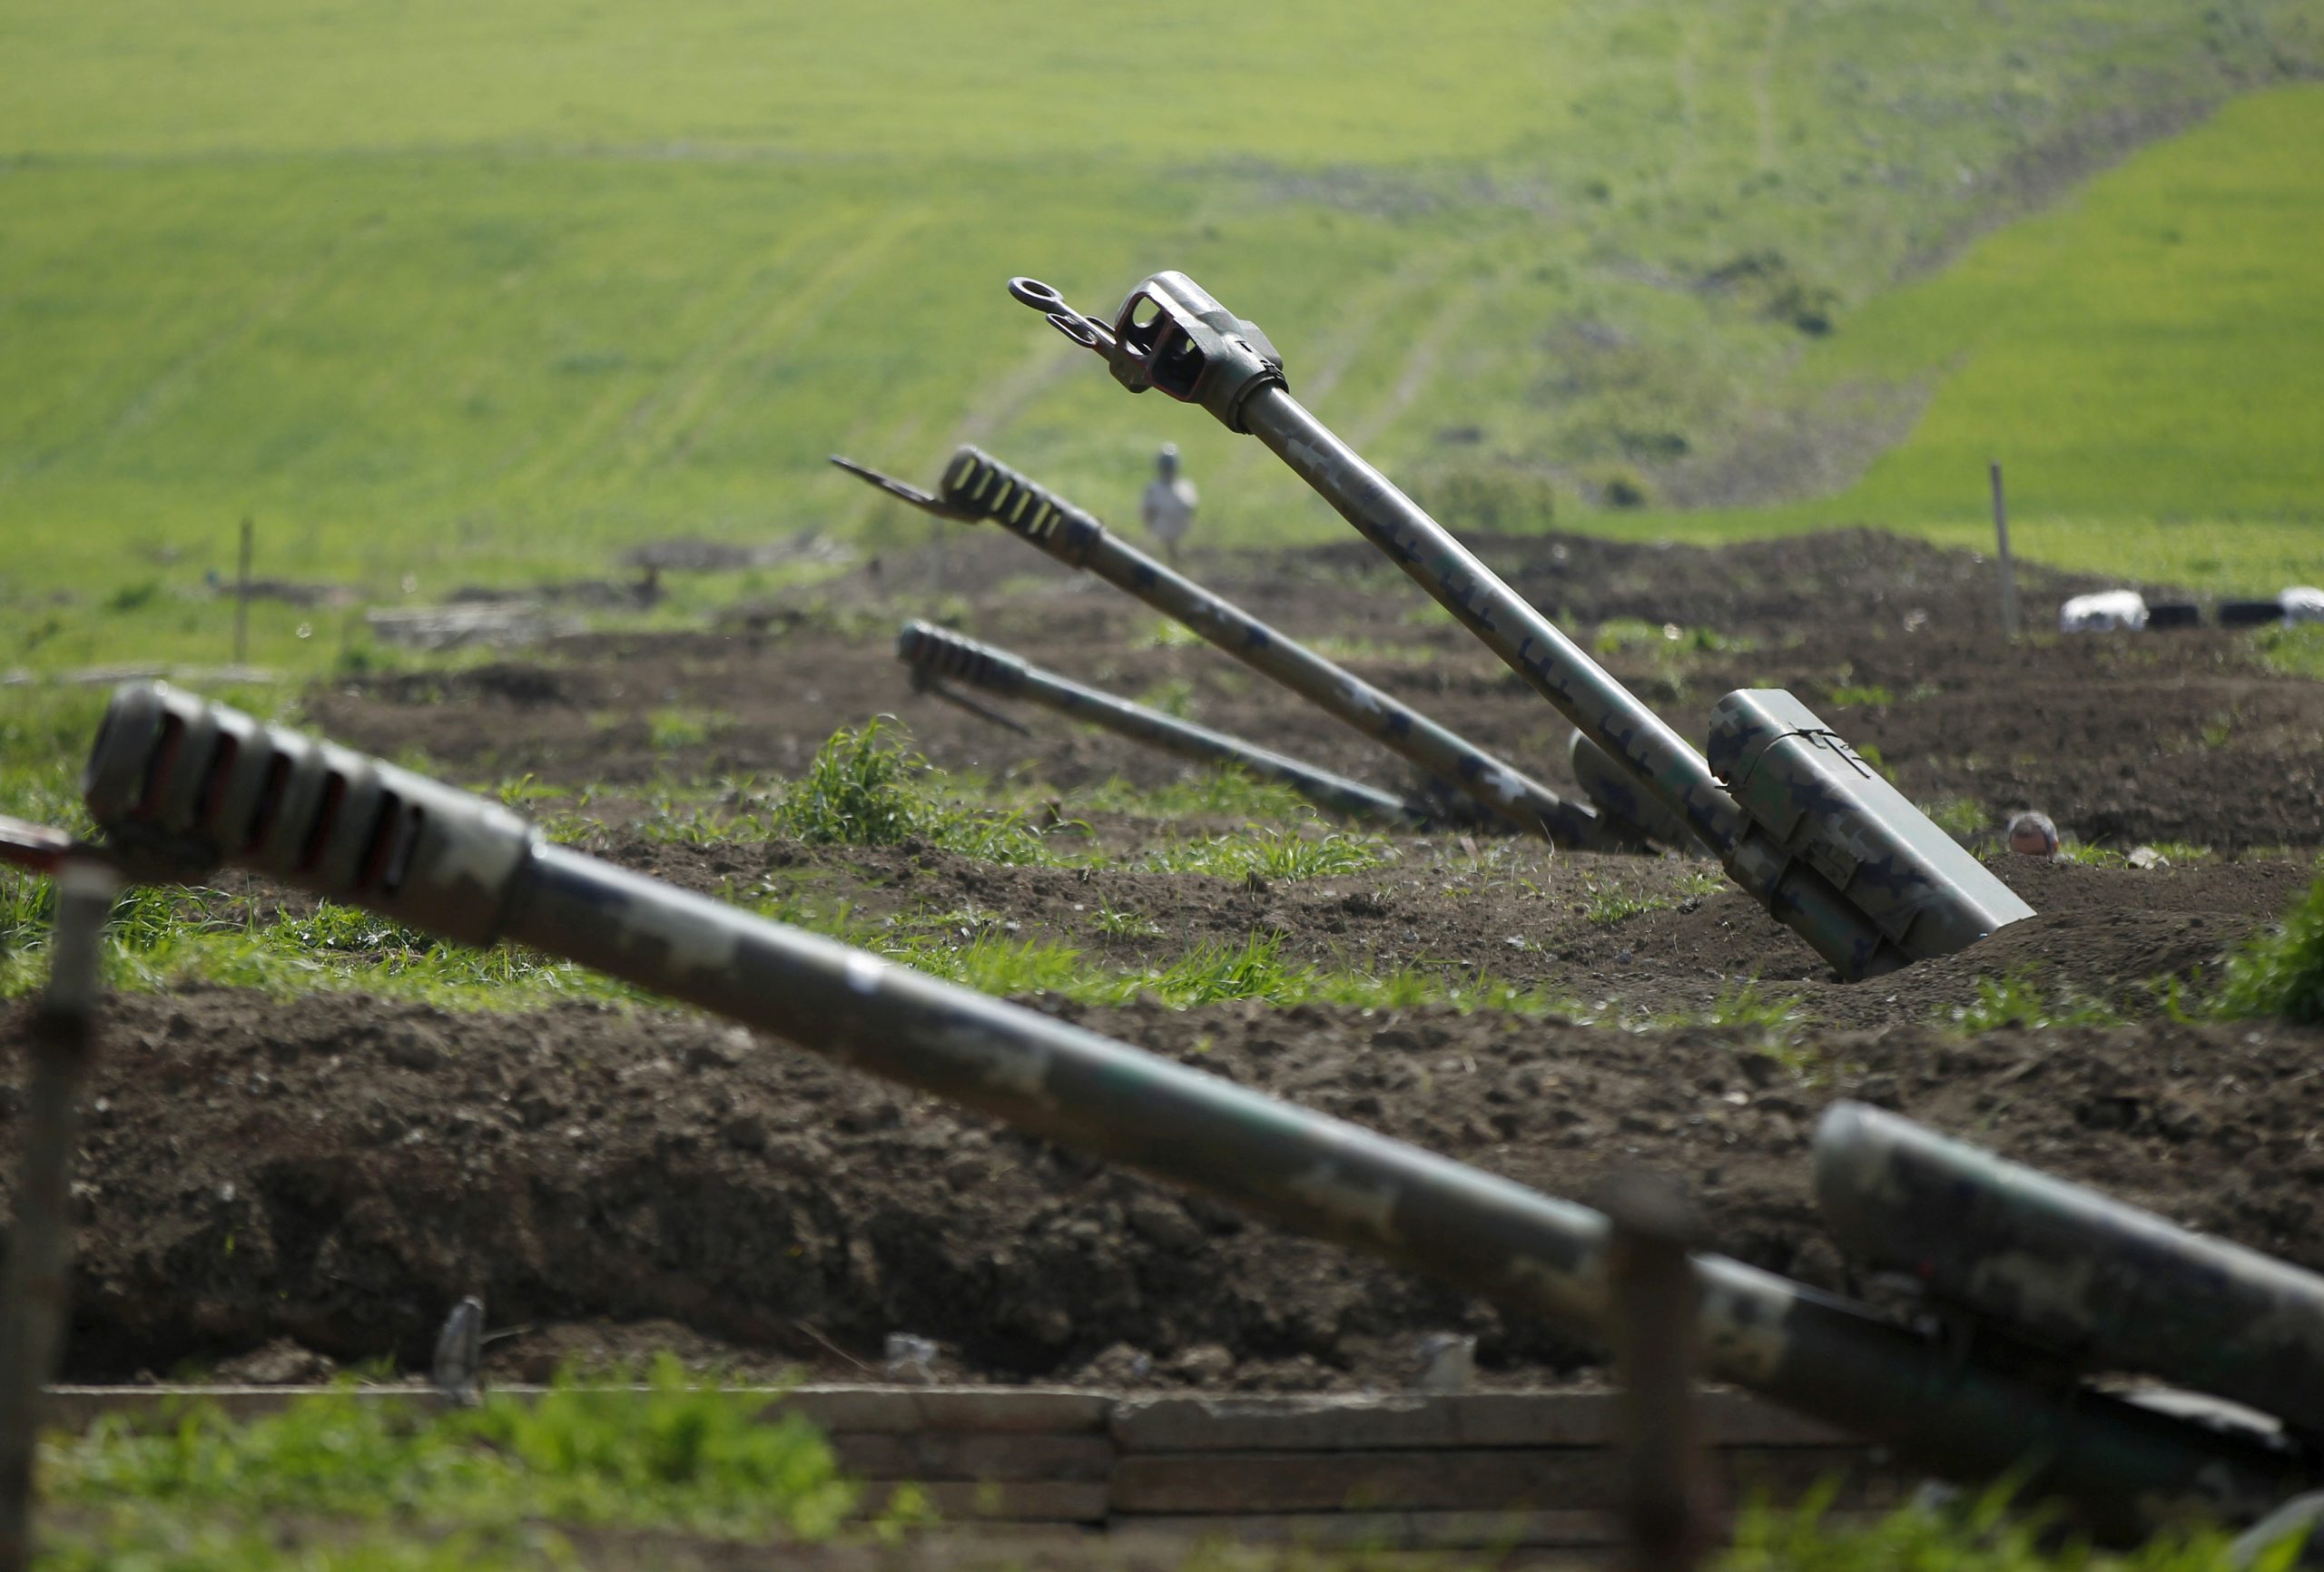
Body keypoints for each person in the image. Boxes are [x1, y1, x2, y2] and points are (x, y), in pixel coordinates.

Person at [1140, 443, 1198, 567]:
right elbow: (1147, 512)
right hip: (1159, 533)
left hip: (1177, 532)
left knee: (1173, 556)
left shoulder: (1185, 488)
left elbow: (1190, 510)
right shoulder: (1154, 489)